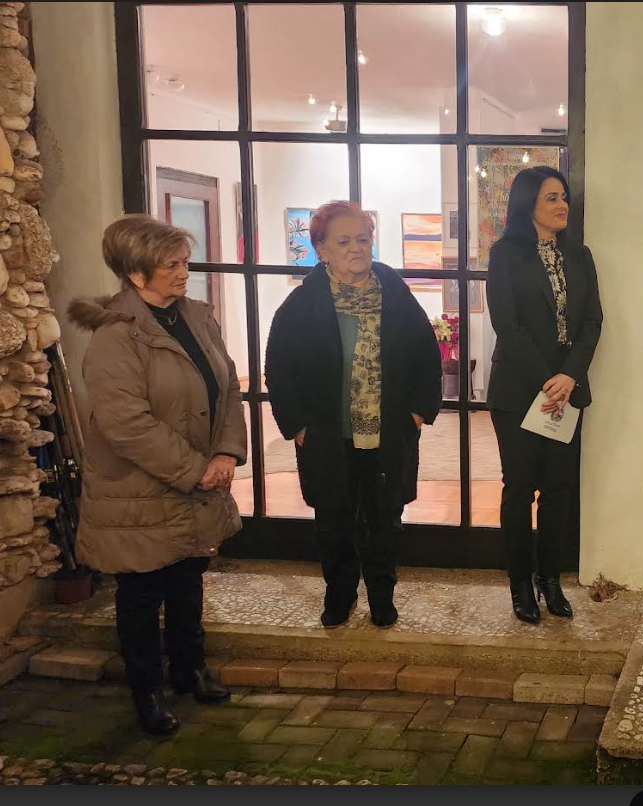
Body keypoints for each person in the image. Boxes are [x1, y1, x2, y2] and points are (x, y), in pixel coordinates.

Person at [68, 216, 247, 735]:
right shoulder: (115, 336)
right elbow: (126, 424)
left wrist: (226, 452)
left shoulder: (197, 316)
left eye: (184, 262)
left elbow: (228, 388)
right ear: (136, 273)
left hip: (195, 484)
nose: (184, 272)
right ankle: (146, 693)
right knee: (142, 595)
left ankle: (191, 670)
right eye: (171, 265)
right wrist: (196, 469)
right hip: (138, 491)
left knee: (188, 580)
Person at [265, 201, 441, 630]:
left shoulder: (396, 295)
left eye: (363, 239)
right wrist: (297, 424)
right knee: (333, 523)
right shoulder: (302, 304)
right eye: (343, 241)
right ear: (322, 249)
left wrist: (417, 414)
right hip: (327, 435)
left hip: (389, 431)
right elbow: (279, 368)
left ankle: (382, 596)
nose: (356, 248)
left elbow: (426, 356)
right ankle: (339, 595)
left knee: (385, 521)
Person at [486, 166, 603, 625]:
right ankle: (520, 582)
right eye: (551, 197)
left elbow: (593, 320)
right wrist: (547, 380)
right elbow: (507, 324)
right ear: (528, 203)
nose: (562, 205)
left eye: (563, 197)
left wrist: (568, 377)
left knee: (558, 489)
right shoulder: (505, 254)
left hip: (567, 392)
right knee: (518, 489)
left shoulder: (579, 255)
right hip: (519, 390)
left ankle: (550, 579)